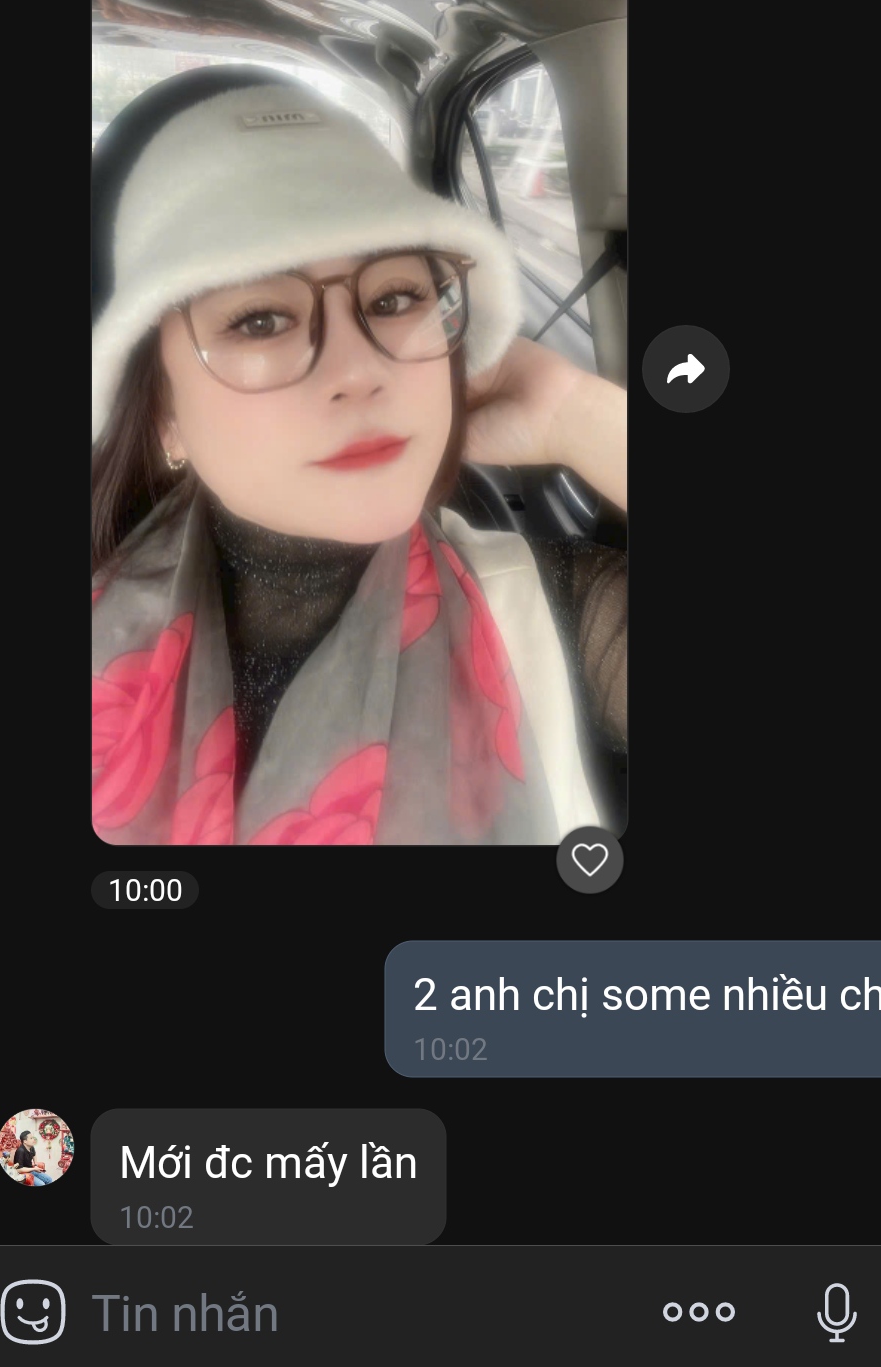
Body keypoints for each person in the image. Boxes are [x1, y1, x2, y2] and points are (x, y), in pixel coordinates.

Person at [92, 73, 626, 846]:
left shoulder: (541, 613)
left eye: (394, 300)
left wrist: (578, 415)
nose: (358, 371)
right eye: (262, 319)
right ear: (165, 416)